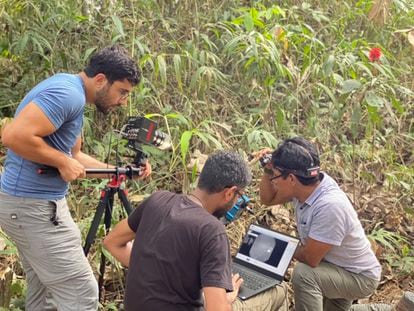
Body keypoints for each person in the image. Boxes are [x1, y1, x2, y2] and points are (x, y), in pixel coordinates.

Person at [0, 45, 151, 310]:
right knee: (81, 291)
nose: (123, 101)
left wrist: (121, 171)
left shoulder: (73, 93)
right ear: (102, 80)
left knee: (45, 289)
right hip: (32, 207)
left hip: (30, 205)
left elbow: (75, 156)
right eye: (122, 92)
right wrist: (61, 161)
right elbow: (13, 137)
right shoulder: (67, 95)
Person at [103, 150, 288, 311]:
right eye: (239, 195)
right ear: (229, 193)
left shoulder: (157, 200)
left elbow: (112, 242)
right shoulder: (212, 230)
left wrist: (154, 270)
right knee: (279, 291)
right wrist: (225, 299)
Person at [259, 137, 381, 311]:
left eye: (276, 176)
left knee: (304, 275)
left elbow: (310, 258)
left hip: (357, 276)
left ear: (291, 178)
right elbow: (267, 199)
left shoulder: (329, 205)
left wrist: (277, 245)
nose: (274, 181)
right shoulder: (306, 183)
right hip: (334, 265)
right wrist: (268, 170)